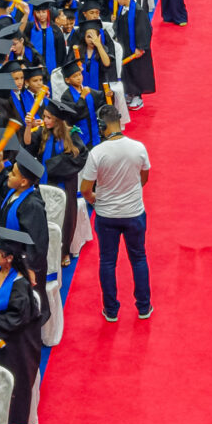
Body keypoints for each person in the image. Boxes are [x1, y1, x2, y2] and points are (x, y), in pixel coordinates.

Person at [79, 104, 151, 321]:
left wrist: (95, 199)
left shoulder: (97, 153)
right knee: (138, 258)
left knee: (108, 261)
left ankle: (111, 310)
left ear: (102, 126)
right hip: (134, 212)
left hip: (107, 215)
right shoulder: (138, 147)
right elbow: (144, 178)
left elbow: (85, 189)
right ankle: (144, 307)